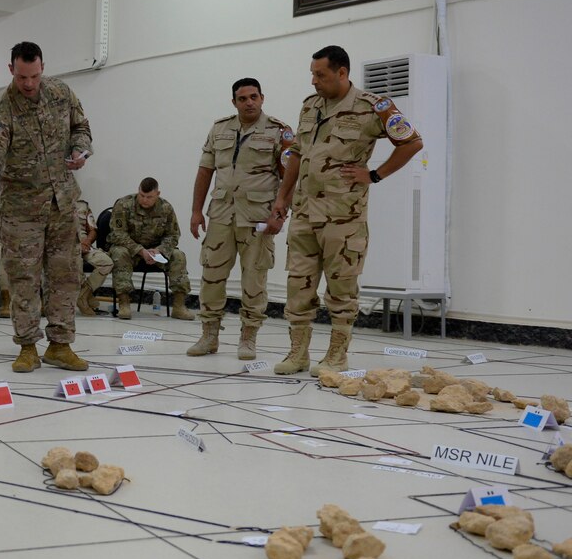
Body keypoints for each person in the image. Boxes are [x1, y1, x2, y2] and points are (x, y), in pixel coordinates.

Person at [272, 45, 424, 374]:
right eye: (312, 74)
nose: (314, 81)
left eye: (321, 75)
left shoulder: (373, 107)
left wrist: (374, 174)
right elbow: (297, 153)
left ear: (342, 73)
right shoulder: (310, 106)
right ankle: (297, 353)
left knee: (341, 289)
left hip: (344, 217)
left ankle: (337, 355)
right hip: (303, 213)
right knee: (298, 286)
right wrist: (282, 197)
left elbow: (412, 142)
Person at [0, 41, 91, 372]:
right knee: (24, 279)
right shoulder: (0, 110)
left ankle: (60, 346)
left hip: (62, 203)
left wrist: (81, 150)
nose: (29, 84)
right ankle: (28, 347)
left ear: (43, 67)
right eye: (22, 77)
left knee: (66, 275)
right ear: (11, 70)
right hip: (21, 209)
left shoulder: (62, 93)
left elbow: (82, 128)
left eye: (34, 76)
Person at [187, 78, 293, 360]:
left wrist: (280, 215)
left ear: (262, 98)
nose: (249, 102)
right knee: (211, 275)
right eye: (243, 98)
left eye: (254, 97)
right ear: (234, 102)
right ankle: (209, 336)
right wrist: (196, 211)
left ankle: (248, 338)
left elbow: (289, 178)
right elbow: (205, 171)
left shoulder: (278, 132)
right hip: (221, 214)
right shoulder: (220, 128)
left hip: (258, 217)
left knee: (254, 280)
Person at [109, 177, 194, 320]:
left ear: (158, 194)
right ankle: (124, 304)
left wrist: (159, 250)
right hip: (131, 251)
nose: (144, 200)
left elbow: (173, 235)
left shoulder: (166, 208)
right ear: (138, 191)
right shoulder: (124, 204)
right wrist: (140, 251)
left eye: (149, 197)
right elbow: (118, 234)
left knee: (178, 255)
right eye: (142, 195)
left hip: (156, 252)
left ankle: (179, 306)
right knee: (119, 252)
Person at [74, 199, 113, 316]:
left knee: (106, 263)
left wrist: (87, 242)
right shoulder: (50, 203)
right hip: (64, 248)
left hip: (84, 245)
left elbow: (93, 230)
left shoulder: (83, 206)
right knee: (75, 263)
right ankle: (86, 299)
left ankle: (83, 295)